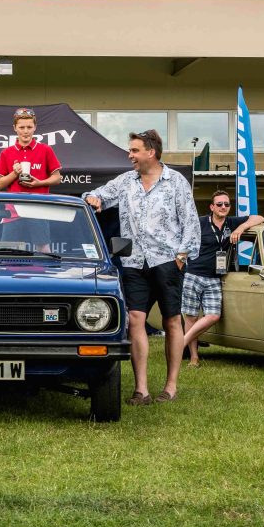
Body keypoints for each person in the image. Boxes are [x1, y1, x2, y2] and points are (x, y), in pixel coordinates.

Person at [82, 129, 200, 405]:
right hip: (134, 262)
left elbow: (191, 223)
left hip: (168, 261)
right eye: (130, 150)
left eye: (135, 150)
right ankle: (142, 389)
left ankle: (171, 386)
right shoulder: (125, 182)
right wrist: (93, 198)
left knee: (172, 321)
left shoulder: (176, 182)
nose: (130, 155)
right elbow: (95, 193)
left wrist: (181, 258)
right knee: (135, 319)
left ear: (151, 152)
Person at [179, 190, 264, 367]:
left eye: (226, 204)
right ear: (212, 207)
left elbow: (259, 218)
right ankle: (194, 357)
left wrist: (241, 228)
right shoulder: (200, 222)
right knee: (191, 318)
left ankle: (181, 343)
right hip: (193, 274)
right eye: (219, 204)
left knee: (213, 315)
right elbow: (183, 240)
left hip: (214, 278)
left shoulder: (231, 222)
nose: (223, 207)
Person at [0, 107, 63, 250]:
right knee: (7, 250)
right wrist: (14, 173)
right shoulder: (6, 152)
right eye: (22, 127)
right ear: (15, 128)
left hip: (38, 207)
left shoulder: (45, 149)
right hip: (13, 210)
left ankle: (44, 272)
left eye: (29, 127)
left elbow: (57, 178)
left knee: (43, 248)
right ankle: (8, 273)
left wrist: (40, 183)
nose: (25, 131)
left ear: (35, 127)